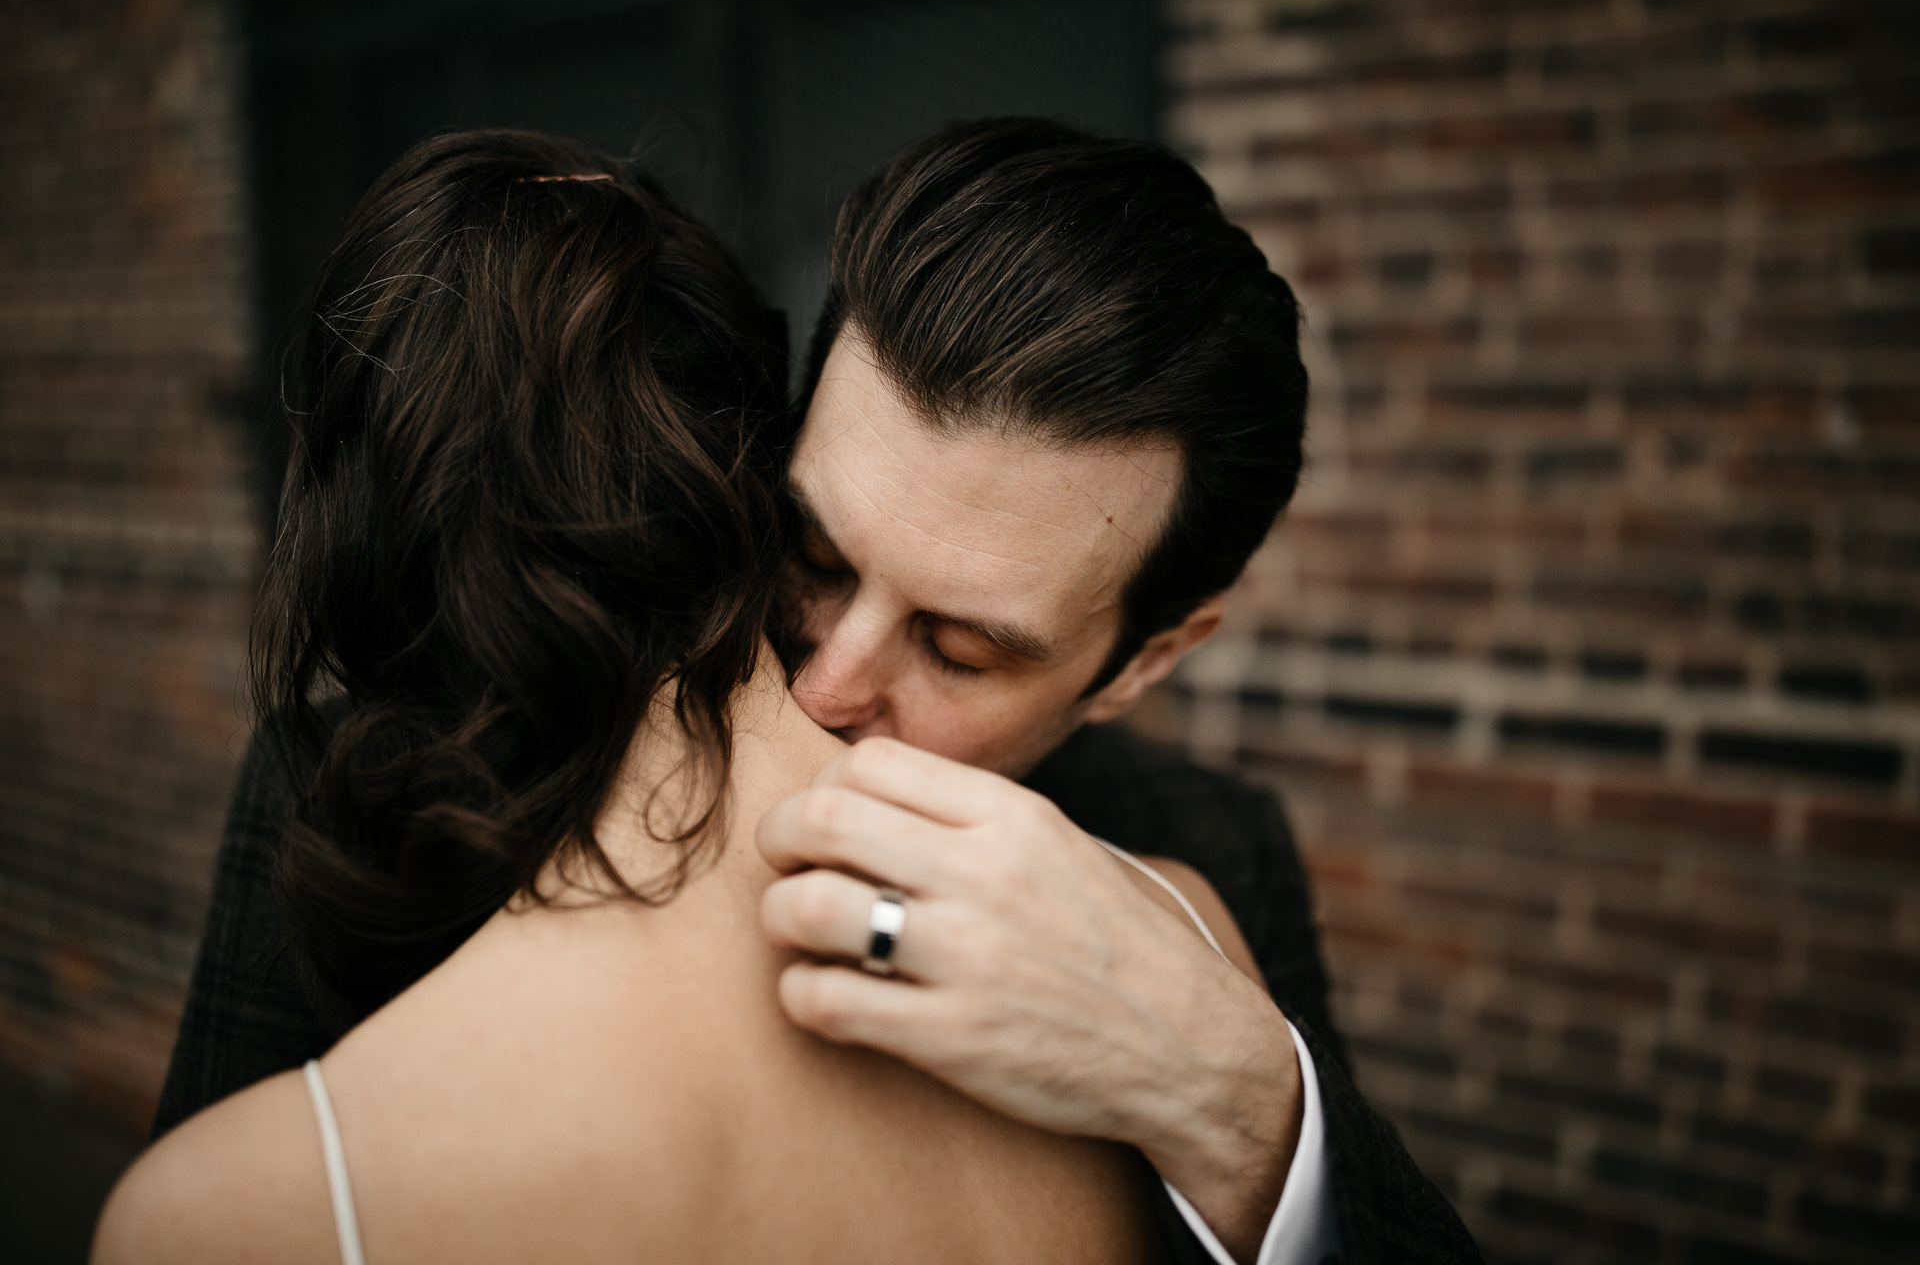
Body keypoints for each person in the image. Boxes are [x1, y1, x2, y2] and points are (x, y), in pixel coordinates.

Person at [152, 121, 1481, 1264]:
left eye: (960, 649)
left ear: (1147, 659)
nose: (829, 680)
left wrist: (1248, 1113)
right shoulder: (354, 783)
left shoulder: (1214, 863)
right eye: (816, 555)